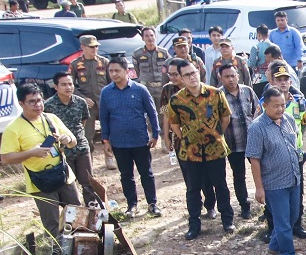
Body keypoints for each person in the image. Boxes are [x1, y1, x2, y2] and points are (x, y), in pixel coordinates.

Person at [0, 83, 80, 255]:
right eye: (32, 102)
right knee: (52, 224)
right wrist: (31, 153)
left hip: (64, 175)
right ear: (21, 104)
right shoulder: (13, 129)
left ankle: (81, 250)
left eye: (39, 101)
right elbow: (5, 158)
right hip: (40, 182)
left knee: (77, 215)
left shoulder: (51, 118)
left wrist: (67, 139)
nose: (38, 105)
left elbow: (74, 141)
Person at [167, 59, 234, 239]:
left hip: (215, 149)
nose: (192, 77)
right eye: (187, 75)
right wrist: (186, 138)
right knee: (193, 189)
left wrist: (216, 133)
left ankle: (227, 220)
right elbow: (173, 123)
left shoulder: (215, 94)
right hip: (190, 152)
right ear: (181, 78)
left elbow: (226, 117)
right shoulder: (176, 99)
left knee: (221, 185)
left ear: (199, 72)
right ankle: (194, 225)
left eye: (193, 73)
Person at [98, 57, 161, 217]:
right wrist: (105, 140)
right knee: (126, 175)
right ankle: (131, 205)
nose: (113, 74)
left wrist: (155, 133)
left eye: (117, 70)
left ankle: (152, 203)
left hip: (140, 140)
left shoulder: (140, 90)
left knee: (146, 173)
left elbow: (152, 112)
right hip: (119, 142)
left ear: (127, 71)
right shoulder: (106, 93)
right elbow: (103, 117)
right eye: (111, 71)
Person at [248, 87, 304, 255]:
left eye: (283, 105)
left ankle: (274, 245)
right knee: (282, 222)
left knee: (293, 216)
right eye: (276, 106)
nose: (280, 109)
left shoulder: (288, 120)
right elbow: (254, 159)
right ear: (265, 105)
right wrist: (259, 188)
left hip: (293, 178)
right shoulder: (257, 128)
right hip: (274, 183)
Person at [262, 65, 306, 241]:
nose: (283, 83)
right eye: (279, 80)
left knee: (297, 192)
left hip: (295, 154)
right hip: (273, 155)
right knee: (274, 194)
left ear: (291, 81)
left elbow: (304, 123)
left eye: (286, 79)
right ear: (272, 81)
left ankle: (296, 225)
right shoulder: (265, 102)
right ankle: (272, 228)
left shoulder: (300, 101)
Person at [43, 71, 105, 208]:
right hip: (62, 152)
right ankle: (72, 213)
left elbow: (83, 122)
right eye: (63, 84)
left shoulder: (81, 102)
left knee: (88, 181)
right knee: (67, 185)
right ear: (55, 86)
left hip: (81, 147)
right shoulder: (48, 106)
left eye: (70, 84)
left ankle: (92, 209)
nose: (68, 87)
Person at [217, 61, 261, 219]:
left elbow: (258, 112)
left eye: (233, 75)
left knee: (263, 171)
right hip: (232, 144)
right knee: (239, 176)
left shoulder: (248, 91)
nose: (230, 79)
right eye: (226, 76)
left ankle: (268, 202)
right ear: (220, 78)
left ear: (238, 76)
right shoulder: (217, 95)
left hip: (253, 141)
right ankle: (244, 206)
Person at [132, 27, 169, 101]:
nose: (150, 38)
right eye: (147, 36)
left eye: (152, 35)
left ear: (155, 37)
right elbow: (137, 71)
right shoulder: (137, 54)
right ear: (142, 38)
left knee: (162, 111)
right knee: (149, 111)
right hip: (146, 88)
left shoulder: (163, 52)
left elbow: (168, 68)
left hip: (161, 88)